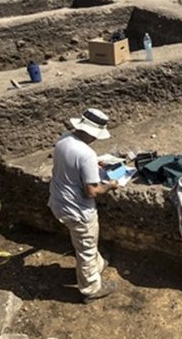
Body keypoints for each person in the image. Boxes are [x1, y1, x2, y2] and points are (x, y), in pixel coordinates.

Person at [48, 108, 120, 303]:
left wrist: (92, 166)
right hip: (78, 210)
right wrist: (110, 185)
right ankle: (91, 289)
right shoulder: (86, 153)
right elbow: (92, 191)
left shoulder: (64, 139)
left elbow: (71, 164)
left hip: (58, 202)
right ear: (92, 133)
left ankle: (97, 265)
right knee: (85, 249)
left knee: (83, 241)